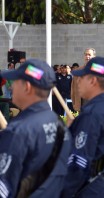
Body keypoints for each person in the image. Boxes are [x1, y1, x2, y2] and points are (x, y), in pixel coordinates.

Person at [0, 59, 71, 198]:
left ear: (26, 86)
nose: (12, 86)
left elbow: (4, 187)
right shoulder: (58, 123)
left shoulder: (19, 131)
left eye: (15, 81)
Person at [61, 57, 104, 197]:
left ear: (93, 81)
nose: (78, 82)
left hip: (92, 187)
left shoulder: (92, 114)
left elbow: (79, 163)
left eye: (82, 77)